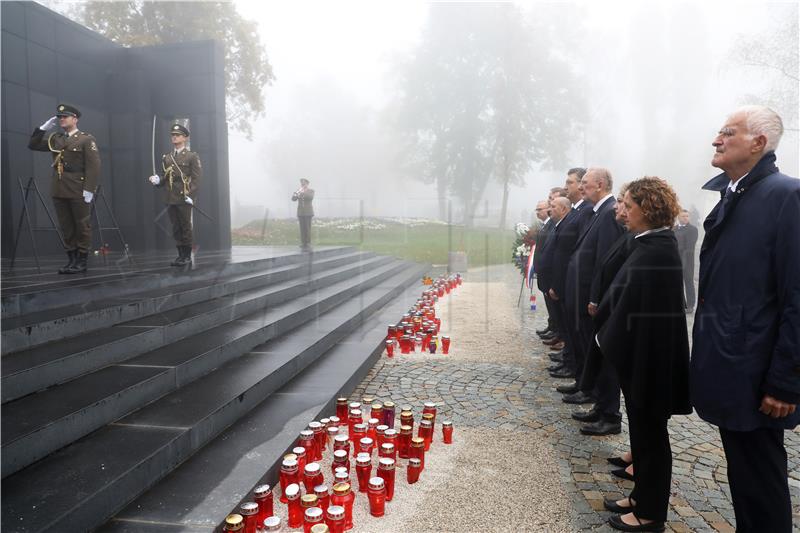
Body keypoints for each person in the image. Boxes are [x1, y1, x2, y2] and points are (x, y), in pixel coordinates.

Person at [690, 105, 799, 533]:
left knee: (761, 479)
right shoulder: (735, 194)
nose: (716, 140)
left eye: (727, 133)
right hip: (732, 365)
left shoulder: (785, 196)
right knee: (744, 477)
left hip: (759, 373)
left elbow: (796, 295)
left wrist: (786, 380)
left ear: (759, 143)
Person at [596, 177, 690, 532]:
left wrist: (610, 341)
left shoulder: (658, 248)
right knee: (642, 435)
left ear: (648, 208)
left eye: (630, 206)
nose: (625, 212)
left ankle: (651, 513)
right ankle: (640, 495)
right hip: (641, 358)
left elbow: (641, 311)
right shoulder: (648, 244)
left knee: (651, 439)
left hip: (651, 361)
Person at [561, 168, 624, 419]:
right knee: (588, 348)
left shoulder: (608, 214)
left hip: (592, 297)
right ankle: (595, 398)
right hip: (583, 293)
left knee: (598, 353)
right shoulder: (598, 212)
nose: (580, 187)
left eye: (585, 183)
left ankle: (606, 408)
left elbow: (604, 261)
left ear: (599, 185)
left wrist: (595, 297)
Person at [28, 104, 101, 274]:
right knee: (66, 226)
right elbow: (33, 145)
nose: (62, 119)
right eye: (60, 117)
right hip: (59, 187)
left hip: (78, 187)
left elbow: (94, 166)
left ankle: (82, 260)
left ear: (75, 119)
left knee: (82, 225)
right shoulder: (57, 139)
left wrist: (89, 188)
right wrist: (41, 129)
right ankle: (72, 260)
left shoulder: (86, 139)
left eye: (65, 116)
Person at [548, 168, 594, 381]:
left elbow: (574, 252)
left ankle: (576, 370)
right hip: (567, 282)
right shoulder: (577, 211)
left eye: (571, 182)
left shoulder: (585, 212)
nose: (567, 186)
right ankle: (571, 363)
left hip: (575, 284)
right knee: (570, 331)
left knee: (577, 333)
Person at [149, 124, 202, 266]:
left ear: (185, 138)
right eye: (173, 134)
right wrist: (157, 180)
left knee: (185, 226)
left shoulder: (192, 156)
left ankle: (187, 256)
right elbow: (164, 176)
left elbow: (196, 179)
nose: (174, 137)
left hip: (184, 196)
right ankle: (180, 255)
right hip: (170, 196)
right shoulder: (167, 157)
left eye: (177, 135)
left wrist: (191, 195)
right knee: (176, 227)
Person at [673, 209, 698, 312]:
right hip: (675, 259)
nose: (686, 218)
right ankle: (681, 304)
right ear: (678, 217)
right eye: (683, 216)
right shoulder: (674, 229)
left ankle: (690, 305)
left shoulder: (692, 229)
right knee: (677, 283)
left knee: (688, 282)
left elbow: (690, 246)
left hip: (687, 260)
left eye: (687, 216)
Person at [292, 178, 315, 251]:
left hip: (308, 212)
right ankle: (303, 242)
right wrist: (296, 194)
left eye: (304, 183)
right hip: (300, 212)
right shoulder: (299, 191)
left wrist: (301, 193)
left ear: (307, 184)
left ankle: (308, 242)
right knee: (302, 228)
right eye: (302, 184)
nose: (302, 185)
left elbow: (310, 197)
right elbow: (293, 199)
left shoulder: (311, 191)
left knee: (307, 228)